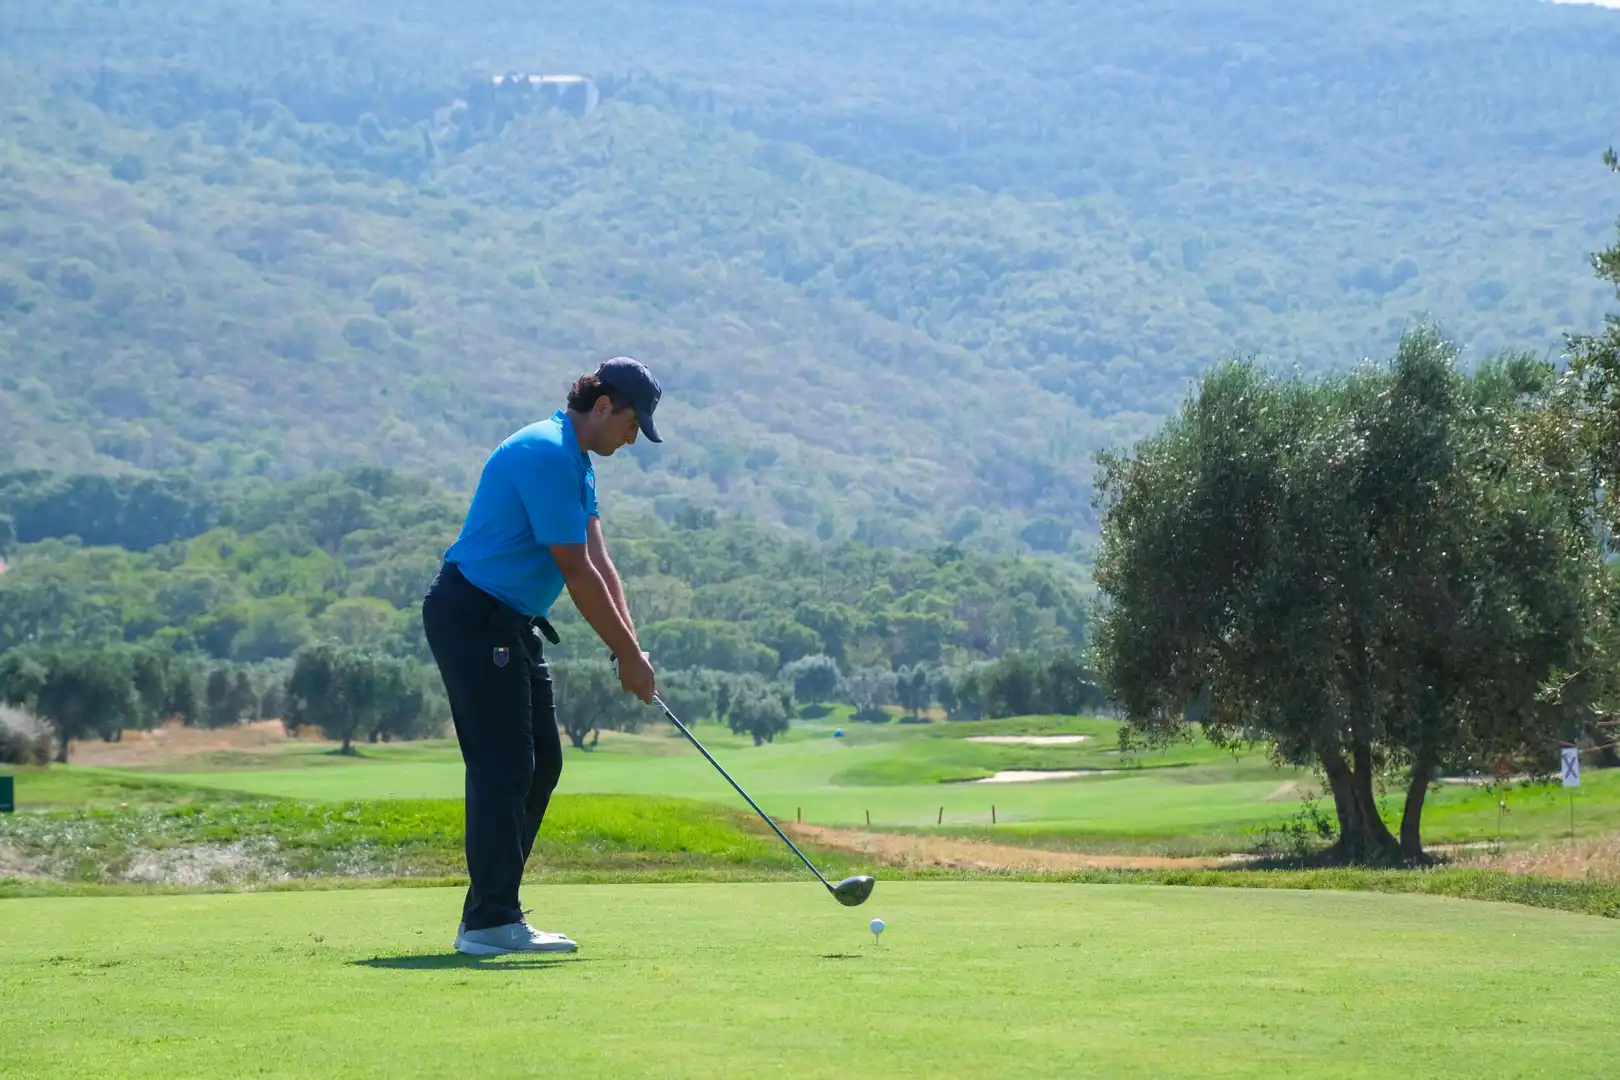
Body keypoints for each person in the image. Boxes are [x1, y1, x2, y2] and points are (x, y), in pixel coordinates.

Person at [422, 356, 662, 955]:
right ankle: (490, 921)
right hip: (474, 616)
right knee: (504, 766)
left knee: (542, 763)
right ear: (602, 406)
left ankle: (490, 912)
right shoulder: (547, 453)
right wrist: (626, 655)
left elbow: (600, 561)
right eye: (632, 424)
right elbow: (575, 572)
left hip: (510, 623)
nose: (633, 438)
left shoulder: (577, 462)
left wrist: (630, 649)